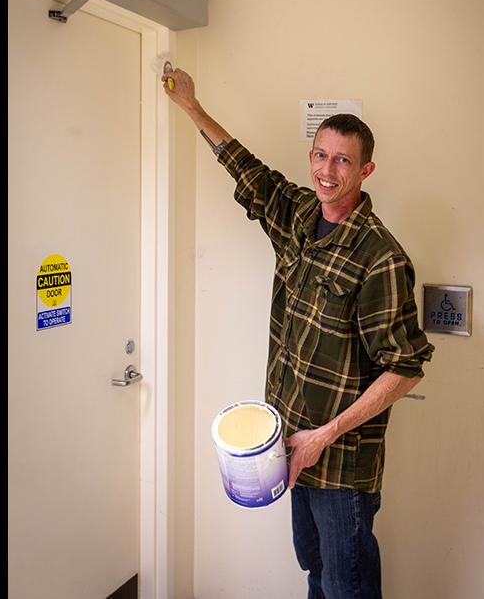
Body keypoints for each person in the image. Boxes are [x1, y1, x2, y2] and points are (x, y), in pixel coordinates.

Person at [162, 68, 434, 599]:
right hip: (290, 449)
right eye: (320, 155)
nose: (327, 170)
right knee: (315, 573)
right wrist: (193, 108)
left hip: (339, 466)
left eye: (342, 160)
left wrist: (323, 437)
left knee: (346, 588)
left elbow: (404, 369)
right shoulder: (299, 214)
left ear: (366, 169)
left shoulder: (380, 258)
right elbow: (249, 171)